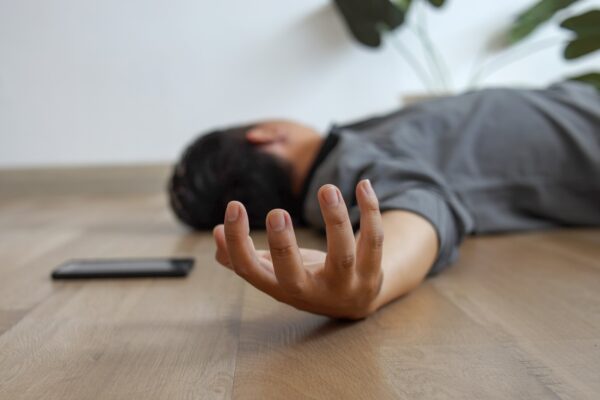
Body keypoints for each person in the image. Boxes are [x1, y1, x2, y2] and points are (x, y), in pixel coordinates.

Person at [168, 81, 600, 319]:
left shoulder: (347, 151)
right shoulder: (348, 166)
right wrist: (371, 281)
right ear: (264, 134)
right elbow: (419, 202)